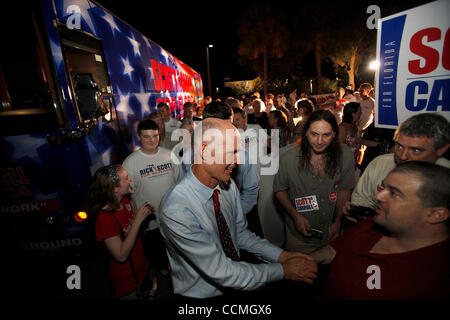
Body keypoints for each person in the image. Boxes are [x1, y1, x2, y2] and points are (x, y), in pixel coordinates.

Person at [158, 118, 318, 299]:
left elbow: (240, 234)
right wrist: (283, 271)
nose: (238, 160)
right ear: (204, 150)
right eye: (231, 152)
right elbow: (219, 270)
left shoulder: (227, 185)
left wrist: (281, 256)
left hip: (237, 281)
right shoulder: (176, 210)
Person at [312, 161, 450, 300]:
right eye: (384, 187)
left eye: (394, 193)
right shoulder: (373, 224)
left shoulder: (433, 281)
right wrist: (306, 259)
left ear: (435, 214)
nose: (378, 196)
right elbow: (337, 250)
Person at [273, 110, 356, 254]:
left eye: (326, 135)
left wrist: (338, 221)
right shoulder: (288, 159)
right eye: (314, 134)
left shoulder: (345, 155)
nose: (319, 141)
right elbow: (279, 190)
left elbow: (344, 190)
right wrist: (295, 216)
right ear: (306, 133)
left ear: (335, 134)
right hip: (299, 239)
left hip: (331, 234)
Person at [348, 113, 450, 212]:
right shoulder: (380, 164)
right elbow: (361, 200)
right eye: (399, 146)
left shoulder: (446, 175)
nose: (403, 156)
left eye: (415, 150)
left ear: (440, 150)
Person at [122, 119, 179, 295]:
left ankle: (177, 282)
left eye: (155, 136)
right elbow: (129, 196)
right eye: (147, 137)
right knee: (154, 257)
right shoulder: (131, 162)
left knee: (176, 254)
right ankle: (155, 284)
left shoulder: (170, 154)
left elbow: (178, 183)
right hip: (149, 223)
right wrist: (137, 223)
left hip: (173, 218)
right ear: (139, 137)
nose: (152, 140)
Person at [87, 164, 154, 299]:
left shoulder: (126, 201)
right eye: (126, 178)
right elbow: (121, 255)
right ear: (115, 188)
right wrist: (138, 221)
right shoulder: (104, 219)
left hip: (143, 269)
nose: (130, 180)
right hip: (129, 283)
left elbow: (134, 231)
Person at [338, 102, 379, 168]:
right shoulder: (342, 128)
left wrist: (378, 144)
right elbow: (339, 149)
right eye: (359, 112)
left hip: (352, 163)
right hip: (343, 165)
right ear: (352, 113)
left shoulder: (355, 126)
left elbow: (360, 141)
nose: (361, 114)